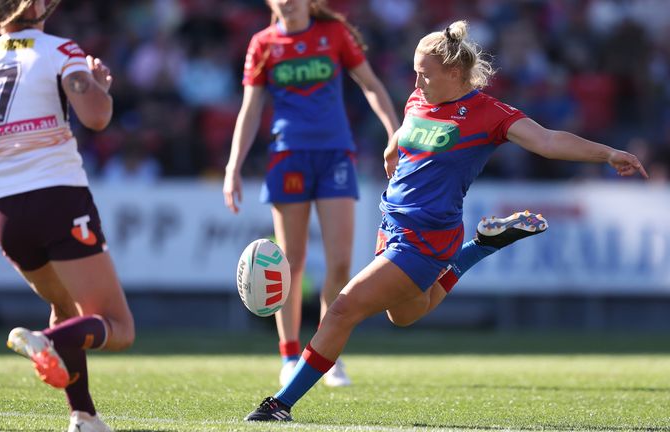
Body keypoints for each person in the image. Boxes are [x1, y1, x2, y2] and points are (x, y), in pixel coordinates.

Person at [244, 20, 648, 422]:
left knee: (341, 310)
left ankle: (280, 403)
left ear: (454, 73)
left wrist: (607, 153)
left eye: (424, 73)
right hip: (392, 226)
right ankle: (481, 247)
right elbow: (406, 128)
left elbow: (548, 140)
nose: (416, 81)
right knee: (403, 315)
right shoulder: (419, 99)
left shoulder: (488, 114)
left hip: (426, 237)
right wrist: (391, 145)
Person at [0, 1, 134, 431]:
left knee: (64, 304)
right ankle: (47, 342)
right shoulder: (60, 51)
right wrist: (100, 85)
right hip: (58, 198)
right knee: (119, 327)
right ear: (34, 6)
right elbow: (97, 116)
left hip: (5, 213)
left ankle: (83, 416)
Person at [223, 0, 400, 388]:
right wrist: (233, 165)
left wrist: (394, 132)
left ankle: (326, 357)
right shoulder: (263, 43)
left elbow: (370, 84)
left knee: (339, 262)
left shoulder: (333, 34)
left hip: (335, 153)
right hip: (287, 157)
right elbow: (250, 109)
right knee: (290, 262)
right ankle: (289, 356)